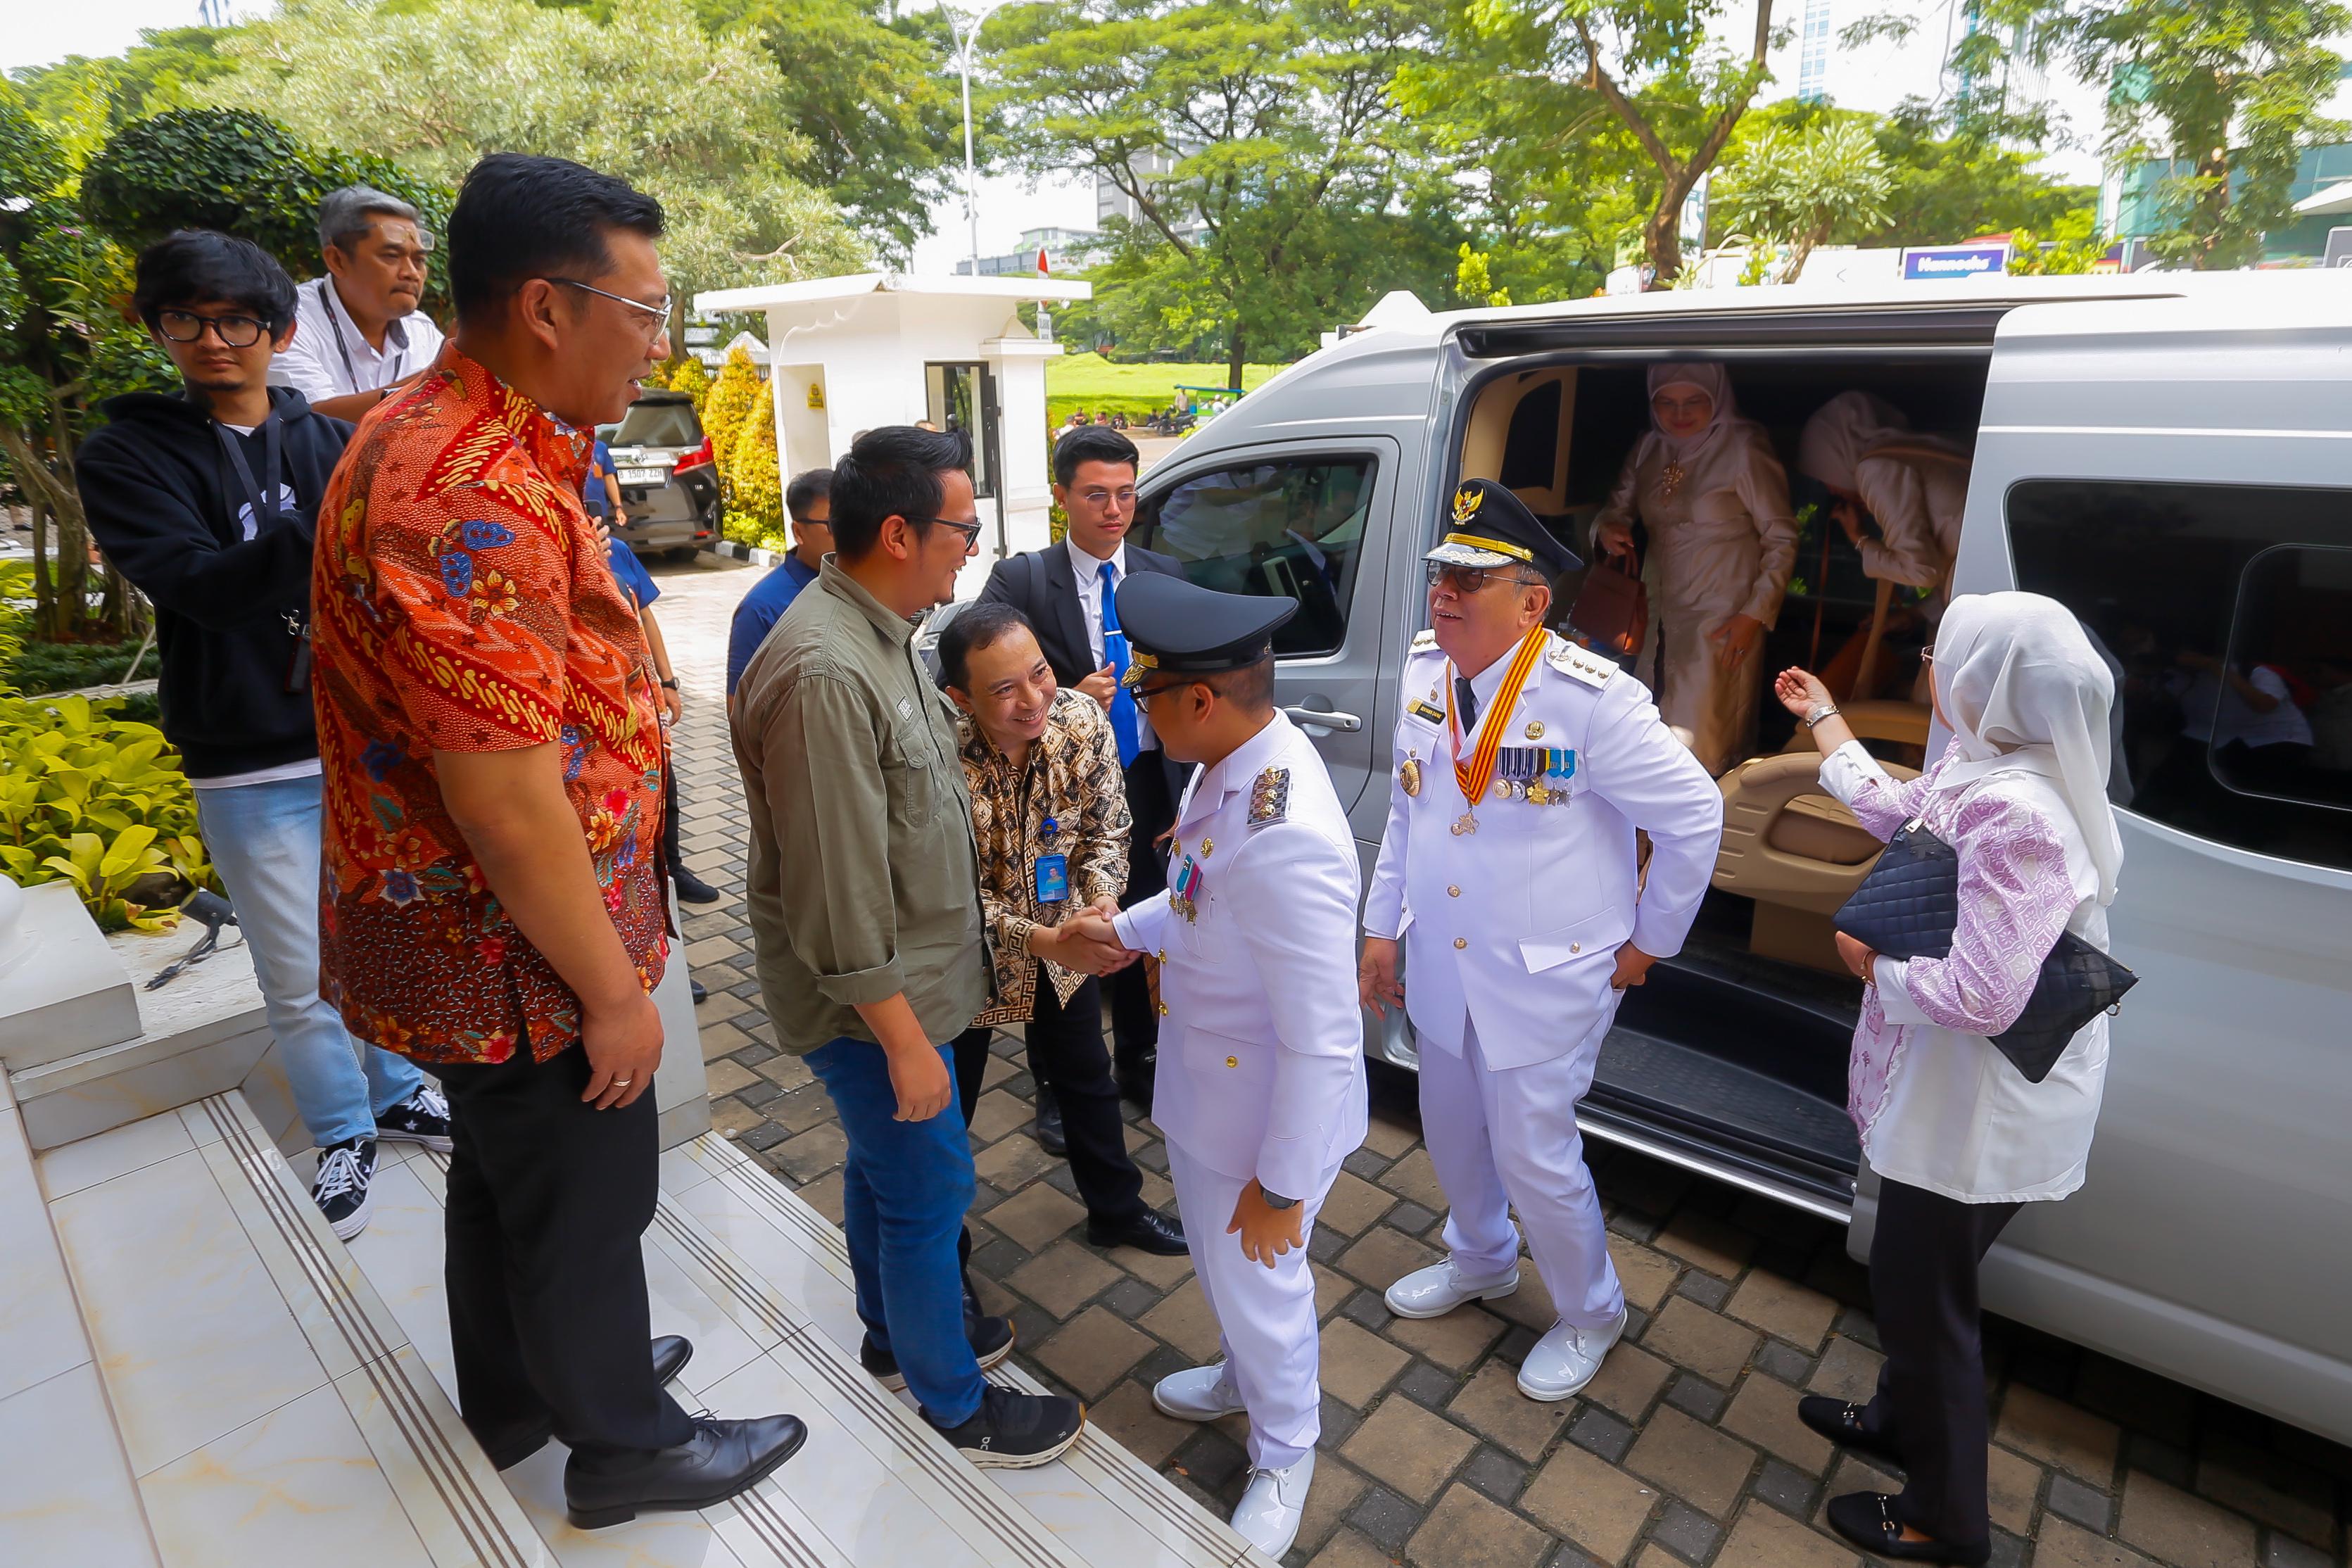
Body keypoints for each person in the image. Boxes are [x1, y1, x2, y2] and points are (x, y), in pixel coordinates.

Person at [309, 153, 804, 1528]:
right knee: (587, 1195)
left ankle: (529, 1385)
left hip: (501, 933)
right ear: (544, 305)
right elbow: (506, 800)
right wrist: (608, 992)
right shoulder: (458, 489)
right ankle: (624, 1442)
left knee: (510, 1179)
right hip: (515, 947)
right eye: (645, 311)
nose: (660, 341)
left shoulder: (480, 431)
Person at [78, 230, 451, 1241]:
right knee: (295, 969)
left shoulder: (324, 443)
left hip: (356, 742)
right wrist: (343, 517)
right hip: (245, 757)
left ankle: (403, 1089)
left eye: (237, 319)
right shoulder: (128, 453)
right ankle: (341, 1133)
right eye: (185, 319)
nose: (213, 340)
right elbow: (201, 586)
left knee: (384, 932)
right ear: (156, 328)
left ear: (277, 330)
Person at [731, 424, 1086, 1468]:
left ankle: (895, 1334)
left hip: (916, 984)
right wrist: (901, 1040)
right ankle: (955, 1403)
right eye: (961, 529)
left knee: (887, 1176)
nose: (970, 550)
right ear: (898, 532)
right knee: (930, 1190)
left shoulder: (881, 634)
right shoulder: (827, 670)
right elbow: (837, 892)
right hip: (874, 1005)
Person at [1774, 592, 2125, 1565]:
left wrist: (1866, 966)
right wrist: (1825, 720)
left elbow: (1979, 995)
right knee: (1924, 1286)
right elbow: (1898, 809)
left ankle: (1944, 1519)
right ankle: (1897, 1418)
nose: (1929, 664)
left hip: (1978, 1113)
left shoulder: (2019, 816)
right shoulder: (2000, 767)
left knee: (1924, 1307)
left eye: (1939, 652)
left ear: (1981, 681)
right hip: (1962, 1093)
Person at [1359, 479, 1724, 1402]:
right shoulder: (1422, 676)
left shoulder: (1591, 699)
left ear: (1532, 602)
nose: (1445, 592)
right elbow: (1408, 813)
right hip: (1442, 961)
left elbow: (1693, 816)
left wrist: (1651, 940)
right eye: (1441, 572)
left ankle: (1592, 1311)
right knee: (1449, 1127)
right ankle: (1479, 1257)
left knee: (1535, 1153)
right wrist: (1377, 930)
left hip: (1547, 975)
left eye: (1471, 579)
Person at [1099, 572, 1367, 1561]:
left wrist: (1284, 1187)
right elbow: (1200, 896)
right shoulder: (1233, 765)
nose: (1143, 707)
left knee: (1263, 1282)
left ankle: (1285, 1449)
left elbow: (1326, 1034)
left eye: (1147, 693)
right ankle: (1237, 1375)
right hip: (1212, 1090)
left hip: (1260, 1118)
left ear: (1199, 701)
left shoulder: (1283, 829)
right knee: (1226, 1276)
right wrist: (1123, 932)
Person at [939, 603, 1187, 1256]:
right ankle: (944, 1256)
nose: (1032, 700)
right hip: (970, 959)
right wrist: (1046, 940)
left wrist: (1102, 906)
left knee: (1087, 1078)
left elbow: (1110, 830)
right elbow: (946, 897)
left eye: (1040, 673)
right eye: (1003, 689)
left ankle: (1116, 1209)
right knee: (945, 1113)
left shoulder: (1080, 721)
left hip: (1066, 931)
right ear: (959, 697)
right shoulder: (936, 761)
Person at [980, 424, 1187, 1137]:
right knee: (1060, 926)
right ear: (1062, 494)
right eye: (1096, 494)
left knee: (1139, 921)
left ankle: (1140, 1056)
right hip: (1057, 795)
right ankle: (1058, 1082)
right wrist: (1069, 695)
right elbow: (990, 682)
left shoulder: (1163, 575)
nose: (1114, 510)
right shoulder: (1023, 580)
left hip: (1152, 780)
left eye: (1126, 494)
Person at [1593, 362, 1799, 773]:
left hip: (1724, 609)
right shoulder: (1649, 447)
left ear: (1717, 399)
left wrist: (1754, 614)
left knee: (1705, 731)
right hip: (1655, 609)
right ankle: (1646, 831)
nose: (1679, 413)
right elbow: (1616, 509)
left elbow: (1782, 536)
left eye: (1694, 402)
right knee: (1646, 723)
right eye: (1666, 402)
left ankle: (1711, 824)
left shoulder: (1742, 446)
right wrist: (1605, 528)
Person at [602, 533, 720, 911]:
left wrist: (668, 683)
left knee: (665, 784)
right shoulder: (552, 554)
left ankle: (674, 869)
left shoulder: (617, 552)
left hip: (640, 699)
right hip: (596, 714)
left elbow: (645, 617)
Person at [269, 184, 445, 423]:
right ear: (337, 261)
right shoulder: (289, 321)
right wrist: (438, 377)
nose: (412, 273)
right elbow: (310, 420)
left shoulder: (422, 331)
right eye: (391, 256)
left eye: (419, 260)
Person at [1796, 391, 1971, 616]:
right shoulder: (1914, 451)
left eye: (1826, 473)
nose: (1831, 489)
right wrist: (1915, 615)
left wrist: (1859, 539)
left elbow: (1922, 572)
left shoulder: (1876, 468)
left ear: (1837, 453)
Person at [726, 467, 833, 704]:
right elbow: (738, 706)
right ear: (799, 532)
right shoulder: (762, 608)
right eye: (833, 524)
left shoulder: (865, 588)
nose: (849, 534)